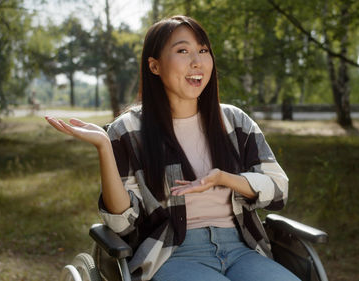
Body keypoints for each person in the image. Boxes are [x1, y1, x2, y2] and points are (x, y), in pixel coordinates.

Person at [46, 15, 298, 281]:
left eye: (203, 50)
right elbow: (121, 223)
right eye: (182, 51)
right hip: (171, 254)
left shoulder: (234, 121)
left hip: (243, 249)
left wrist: (225, 179)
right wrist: (105, 148)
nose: (197, 61)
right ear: (154, 66)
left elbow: (279, 188)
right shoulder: (129, 131)